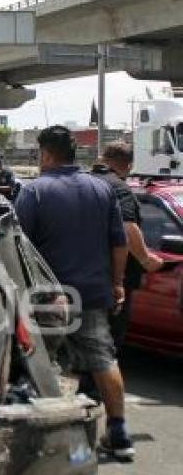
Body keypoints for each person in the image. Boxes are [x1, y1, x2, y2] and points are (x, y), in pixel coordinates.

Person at [14, 125, 133, 460]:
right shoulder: (102, 189)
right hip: (93, 294)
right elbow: (119, 243)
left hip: (48, 299)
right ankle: (120, 434)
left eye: (40, 155)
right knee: (103, 360)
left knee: (42, 365)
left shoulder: (34, 192)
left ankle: (45, 446)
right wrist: (118, 282)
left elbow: (17, 246)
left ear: (47, 154)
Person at [91, 142, 165, 352]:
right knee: (107, 345)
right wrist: (145, 259)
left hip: (81, 274)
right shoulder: (119, 188)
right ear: (128, 166)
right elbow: (127, 227)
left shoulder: (84, 182)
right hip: (110, 279)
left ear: (102, 158)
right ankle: (99, 384)